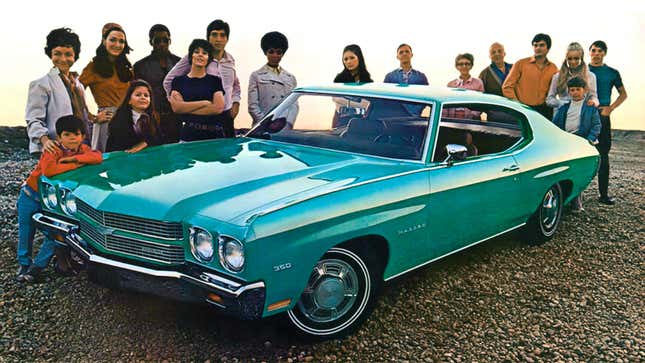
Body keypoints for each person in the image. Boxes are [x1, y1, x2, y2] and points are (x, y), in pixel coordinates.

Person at [16, 115, 103, 283]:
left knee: (56, 234)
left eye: (76, 135)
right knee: (26, 233)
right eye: (67, 135)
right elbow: (49, 170)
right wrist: (76, 165)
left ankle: (37, 268)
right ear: (59, 137)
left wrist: (73, 159)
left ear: (83, 136)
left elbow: (97, 157)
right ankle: (24, 265)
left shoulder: (82, 149)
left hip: (50, 202)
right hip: (30, 195)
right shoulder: (53, 149)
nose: (72, 138)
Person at [25, 28, 110, 157]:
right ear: (50, 54)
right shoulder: (40, 84)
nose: (63, 59)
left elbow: (82, 113)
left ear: (75, 56)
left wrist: (96, 118)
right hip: (56, 147)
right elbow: (33, 119)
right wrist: (45, 140)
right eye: (57, 54)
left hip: (81, 145)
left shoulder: (78, 83)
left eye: (68, 54)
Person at [164, 19, 240, 137]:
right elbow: (169, 80)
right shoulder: (196, 58)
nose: (218, 39)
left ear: (227, 39)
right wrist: (179, 104)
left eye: (222, 35)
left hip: (226, 116)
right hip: (201, 117)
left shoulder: (230, 60)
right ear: (208, 37)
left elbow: (235, 84)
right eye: (214, 34)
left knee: (227, 153)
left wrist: (236, 103)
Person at [80, 23, 134, 152]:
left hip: (127, 119)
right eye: (113, 40)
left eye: (121, 41)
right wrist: (92, 117)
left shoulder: (127, 68)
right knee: (103, 161)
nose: (117, 44)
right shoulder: (93, 67)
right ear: (104, 41)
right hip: (107, 120)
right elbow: (75, 92)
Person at [551, 77, 601, 211]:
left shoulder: (590, 108)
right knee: (566, 171)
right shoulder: (564, 108)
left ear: (584, 90)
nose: (575, 92)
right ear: (568, 91)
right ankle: (563, 200)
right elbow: (555, 124)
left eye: (578, 89)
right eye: (572, 90)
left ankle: (576, 202)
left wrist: (590, 139)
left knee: (578, 172)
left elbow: (596, 125)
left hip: (582, 142)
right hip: (566, 142)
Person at [588, 40, 628, 205]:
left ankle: (603, 195)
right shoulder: (582, 70)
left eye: (600, 51)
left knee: (603, 154)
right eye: (594, 50)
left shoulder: (612, 72)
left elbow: (623, 94)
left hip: (603, 115)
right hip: (585, 114)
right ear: (589, 52)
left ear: (604, 53)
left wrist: (610, 108)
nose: (596, 53)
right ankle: (574, 197)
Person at [169, 39, 225, 141]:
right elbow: (176, 108)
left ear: (208, 58)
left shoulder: (215, 81)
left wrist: (187, 109)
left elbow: (218, 108)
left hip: (214, 136)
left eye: (204, 53)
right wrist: (204, 103)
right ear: (191, 56)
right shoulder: (178, 81)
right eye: (196, 52)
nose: (200, 55)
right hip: (189, 134)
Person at [133, 24, 181, 143]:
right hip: (151, 120)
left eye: (165, 40)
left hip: (176, 118)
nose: (162, 44)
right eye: (157, 41)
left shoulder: (179, 63)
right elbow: (137, 94)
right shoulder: (140, 66)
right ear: (151, 42)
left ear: (170, 41)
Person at [502, 33, 559, 119]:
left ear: (548, 48)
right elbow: (507, 87)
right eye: (535, 45)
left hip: (545, 111)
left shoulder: (553, 68)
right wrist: (517, 104)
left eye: (541, 45)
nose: (538, 48)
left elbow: (557, 89)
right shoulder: (521, 64)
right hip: (524, 108)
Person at [247, 31, 297, 125]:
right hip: (261, 126)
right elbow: (252, 105)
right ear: (265, 52)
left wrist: (288, 123)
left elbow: (294, 105)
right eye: (271, 51)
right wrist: (264, 123)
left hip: (283, 127)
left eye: (279, 52)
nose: (275, 55)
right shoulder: (256, 76)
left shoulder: (291, 78)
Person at [106, 79, 164, 152]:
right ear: (129, 100)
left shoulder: (152, 118)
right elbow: (119, 145)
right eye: (138, 95)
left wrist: (145, 143)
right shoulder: (119, 121)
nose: (143, 98)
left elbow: (159, 139)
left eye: (146, 95)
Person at [546, 42, 598, 114]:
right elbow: (549, 99)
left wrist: (593, 102)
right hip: (561, 115)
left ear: (581, 59)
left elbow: (594, 97)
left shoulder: (590, 76)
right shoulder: (557, 76)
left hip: (582, 114)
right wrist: (564, 103)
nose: (573, 62)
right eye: (570, 59)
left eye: (576, 58)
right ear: (566, 59)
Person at [445, 53, 483, 120]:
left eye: (467, 64)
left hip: (471, 121)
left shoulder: (478, 83)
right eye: (461, 64)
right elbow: (446, 106)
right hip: (452, 121)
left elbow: (481, 103)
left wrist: (472, 115)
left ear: (471, 66)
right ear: (456, 66)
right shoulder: (450, 85)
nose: (464, 66)